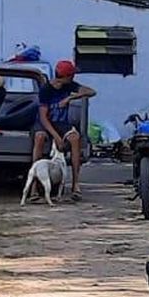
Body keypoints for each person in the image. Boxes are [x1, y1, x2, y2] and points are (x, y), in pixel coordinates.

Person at [35, 60, 96, 201]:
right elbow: (43, 118)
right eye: (71, 75)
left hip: (62, 123)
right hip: (46, 124)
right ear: (66, 76)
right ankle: (34, 187)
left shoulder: (70, 86)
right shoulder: (46, 89)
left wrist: (71, 97)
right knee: (39, 138)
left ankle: (75, 184)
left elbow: (92, 91)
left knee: (75, 138)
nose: (73, 77)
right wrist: (56, 137)